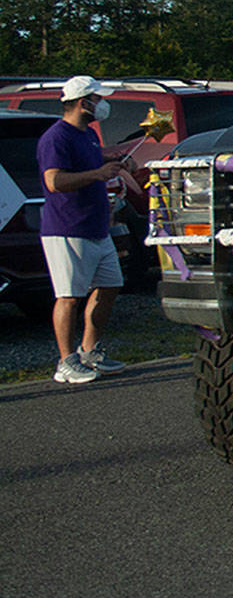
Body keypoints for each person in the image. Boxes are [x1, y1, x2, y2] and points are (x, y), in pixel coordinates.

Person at [37, 76, 131, 384]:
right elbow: (55, 181)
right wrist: (97, 174)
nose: (103, 105)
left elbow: (94, 162)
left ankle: (90, 350)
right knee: (69, 297)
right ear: (83, 102)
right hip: (67, 228)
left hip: (96, 228)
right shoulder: (56, 137)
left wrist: (114, 162)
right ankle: (66, 361)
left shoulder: (88, 135)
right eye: (98, 99)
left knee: (111, 285)